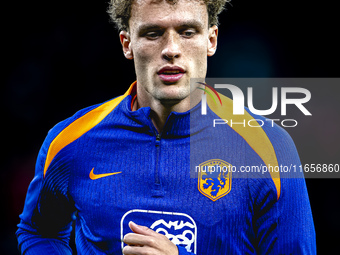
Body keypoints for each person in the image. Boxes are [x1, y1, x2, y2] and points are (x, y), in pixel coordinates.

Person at [16, 0, 316, 254]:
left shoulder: (270, 148)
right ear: (127, 44)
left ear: (211, 40)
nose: (171, 49)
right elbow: (38, 230)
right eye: (153, 33)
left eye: (187, 32)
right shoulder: (71, 141)